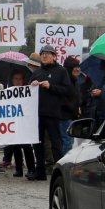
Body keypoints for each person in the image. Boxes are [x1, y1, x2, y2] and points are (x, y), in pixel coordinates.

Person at [27, 45, 71, 181]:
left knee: (55, 143)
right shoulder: (37, 72)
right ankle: (40, 171)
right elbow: (27, 93)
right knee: (38, 143)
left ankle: (59, 171)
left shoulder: (61, 71)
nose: (44, 56)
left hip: (53, 113)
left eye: (47, 53)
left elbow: (67, 90)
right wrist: (31, 85)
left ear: (54, 56)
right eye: (42, 54)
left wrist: (51, 87)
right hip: (37, 114)